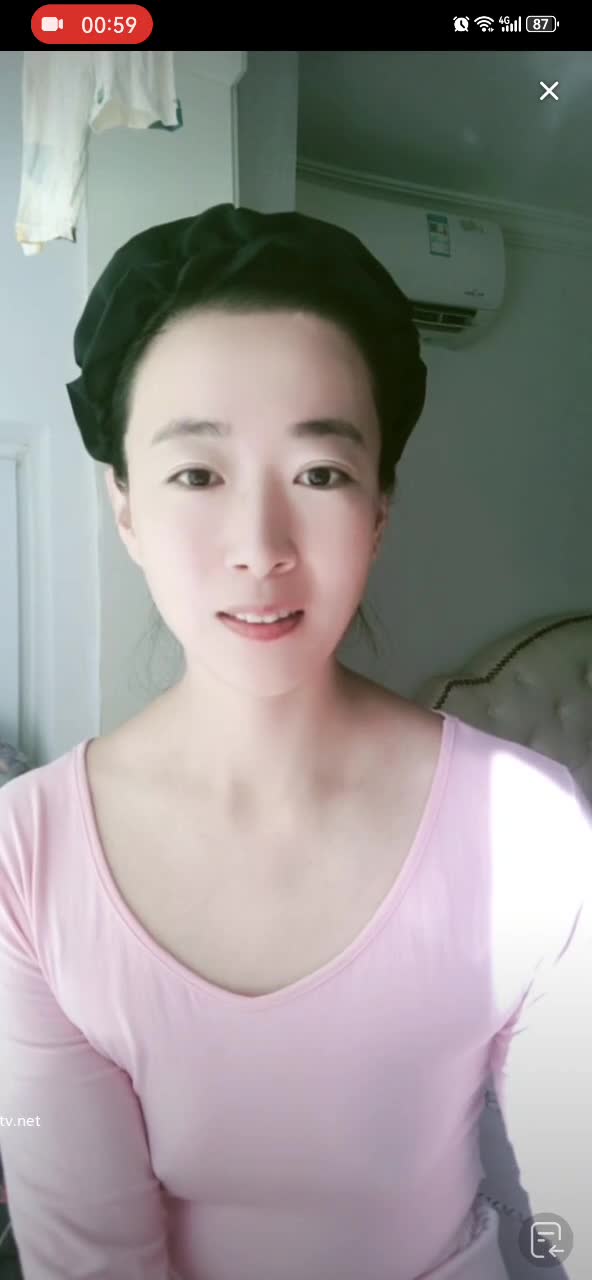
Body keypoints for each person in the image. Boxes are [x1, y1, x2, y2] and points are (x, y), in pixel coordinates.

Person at [0, 203, 590, 1280]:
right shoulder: (26, 857)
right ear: (124, 505)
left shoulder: (530, 830)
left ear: (378, 508)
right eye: (197, 474)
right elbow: (87, 1258)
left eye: (319, 473)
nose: (260, 546)